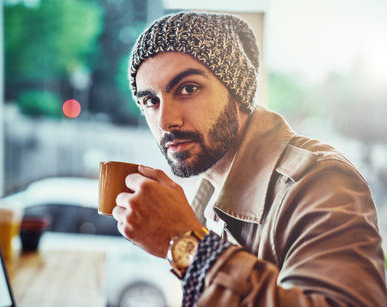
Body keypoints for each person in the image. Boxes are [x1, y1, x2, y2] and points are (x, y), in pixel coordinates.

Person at [111, 11, 387, 306]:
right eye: (150, 101)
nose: (165, 121)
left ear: (237, 91)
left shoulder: (318, 182)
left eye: (188, 89)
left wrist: (186, 244)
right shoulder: (206, 193)